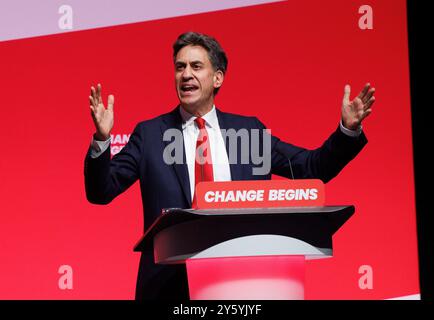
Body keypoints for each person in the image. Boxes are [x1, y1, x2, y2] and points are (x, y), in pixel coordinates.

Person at [84, 31, 375, 300]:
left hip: (244, 284)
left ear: (218, 78)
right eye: (179, 67)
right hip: (167, 288)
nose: (186, 74)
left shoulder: (249, 132)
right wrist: (102, 138)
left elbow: (313, 167)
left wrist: (347, 131)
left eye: (196, 67)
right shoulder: (150, 135)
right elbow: (101, 191)